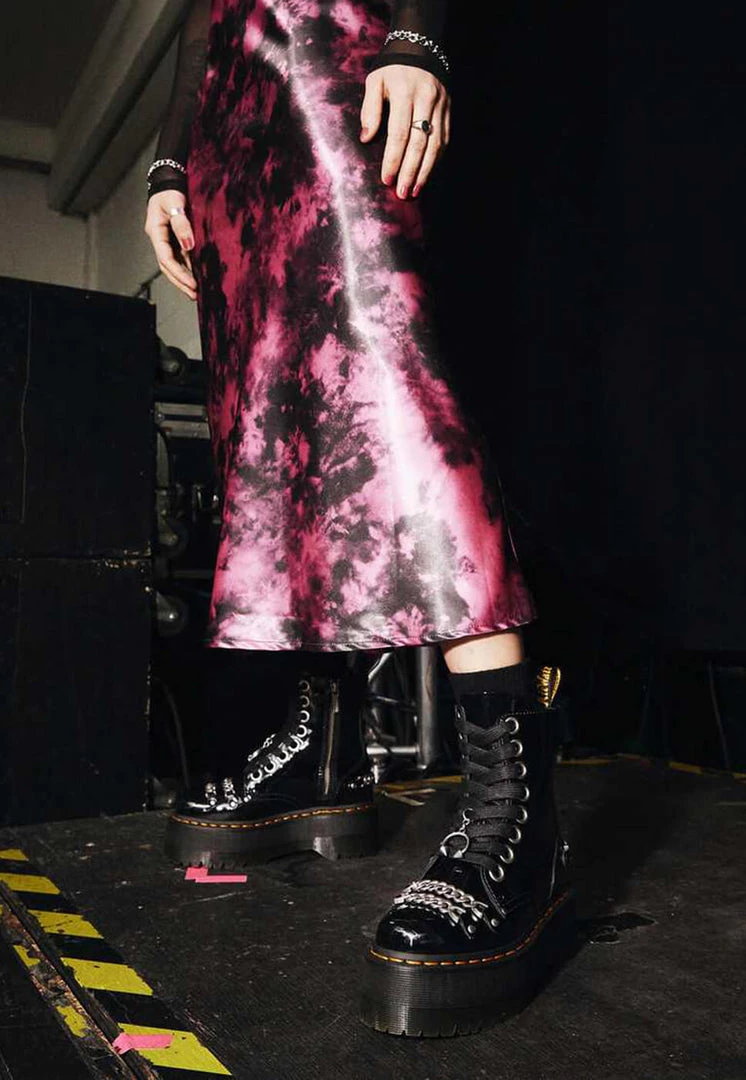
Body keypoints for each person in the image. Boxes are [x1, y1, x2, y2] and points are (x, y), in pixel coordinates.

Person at [144, 0, 573, 1037]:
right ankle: (320, 754)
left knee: (387, 375)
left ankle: (514, 808)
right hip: (230, 112)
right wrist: (167, 163)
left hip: (339, 52)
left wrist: (417, 35)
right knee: (268, 417)